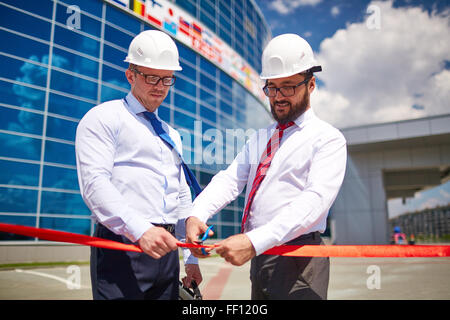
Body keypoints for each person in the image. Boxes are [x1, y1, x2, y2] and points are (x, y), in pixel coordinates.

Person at [185, 34, 347, 300]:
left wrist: (254, 241)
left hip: (300, 260)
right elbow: (231, 179)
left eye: (288, 87)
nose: (279, 97)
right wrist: (197, 214)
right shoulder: (262, 137)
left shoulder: (327, 139)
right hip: (262, 257)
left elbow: (315, 201)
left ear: (312, 85)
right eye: (272, 87)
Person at [75, 30, 202, 300]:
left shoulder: (172, 134)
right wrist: (140, 229)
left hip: (167, 253)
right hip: (123, 246)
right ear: (130, 75)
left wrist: (191, 257)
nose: (159, 86)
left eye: (167, 79)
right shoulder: (103, 118)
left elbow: (180, 196)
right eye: (151, 77)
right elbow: (94, 184)